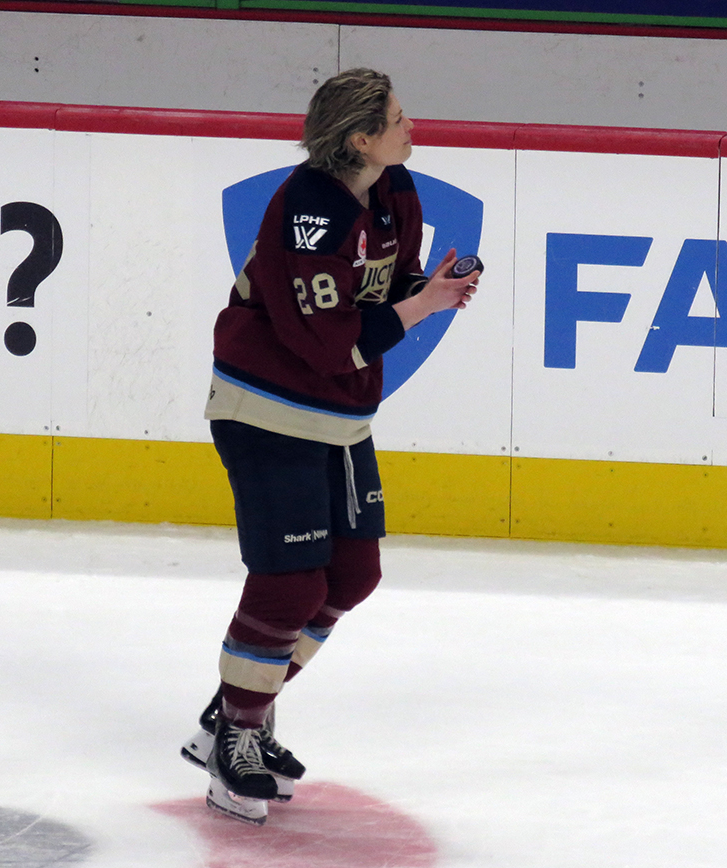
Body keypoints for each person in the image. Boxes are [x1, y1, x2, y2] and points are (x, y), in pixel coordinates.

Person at [181, 68, 481, 825]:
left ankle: (233, 712)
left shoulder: (397, 189)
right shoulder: (307, 213)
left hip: (341, 415)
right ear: (359, 138)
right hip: (268, 408)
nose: (413, 126)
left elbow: (383, 287)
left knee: (351, 573)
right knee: (289, 585)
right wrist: (422, 306)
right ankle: (239, 736)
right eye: (398, 117)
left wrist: (428, 283)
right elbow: (328, 345)